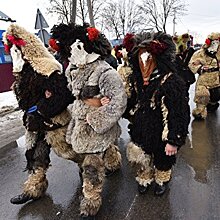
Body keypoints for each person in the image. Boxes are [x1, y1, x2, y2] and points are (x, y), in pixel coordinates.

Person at [50, 23, 127, 219]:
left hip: (95, 124)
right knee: (77, 151)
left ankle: (91, 200)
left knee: (92, 163)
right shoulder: (72, 71)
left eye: (77, 47)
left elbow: (118, 101)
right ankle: (112, 158)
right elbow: (71, 93)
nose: (72, 53)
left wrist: (96, 117)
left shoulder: (105, 71)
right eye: (70, 49)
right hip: (79, 121)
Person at [3, 24, 77, 205]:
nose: (13, 53)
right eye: (11, 50)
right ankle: (34, 188)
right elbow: (25, 100)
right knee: (35, 155)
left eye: (16, 49)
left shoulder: (48, 68)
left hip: (54, 122)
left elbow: (63, 94)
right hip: (35, 125)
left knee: (70, 152)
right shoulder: (21, 72)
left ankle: (97, 163)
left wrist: (42, 108)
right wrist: (31, 113)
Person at [125, 32, 190, 196]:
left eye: (149, 59)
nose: (144, 65)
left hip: (162, 130)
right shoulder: (135, 79)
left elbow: (178, 113)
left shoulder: (171, 82)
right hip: (141, 126)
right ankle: (144, 177)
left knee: (163, 158)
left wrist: (173, 140)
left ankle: (162, 179)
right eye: (141, 60)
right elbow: (130, 101)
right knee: (140, 156)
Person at [188, 32, 220, 119]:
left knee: (216, 95)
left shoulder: (219, 53)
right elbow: (191, 64)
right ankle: (200, 112)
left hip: (216, 78)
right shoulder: (200, 53)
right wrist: (200, 68)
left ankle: (212, 104)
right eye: (214, 42)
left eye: (217, 42)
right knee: (202, 95)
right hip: (204, 78)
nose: (215, 45)